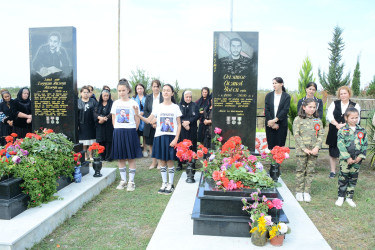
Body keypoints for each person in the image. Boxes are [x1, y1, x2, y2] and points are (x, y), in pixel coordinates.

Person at [135, 84, 182, 195]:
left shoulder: (175, 107)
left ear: (172, 93)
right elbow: (148, 120)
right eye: (164, 90)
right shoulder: (158, 106)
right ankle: (164, 183)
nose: (165, 92)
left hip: (171, 137)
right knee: (161, 161)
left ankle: (171, 184)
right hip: (159, 137)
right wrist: (138, 115)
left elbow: (179, 125)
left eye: (168, 90)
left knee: (170, 161)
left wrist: (176, 139)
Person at [112, 79, 143, 191]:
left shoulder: (133, 103)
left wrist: (133, 129)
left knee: (131, 157)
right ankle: (123, 180)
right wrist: (116, 128)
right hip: (118, 132)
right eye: (119, 90)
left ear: (128, 90)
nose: (121, 92)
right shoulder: (115, 103)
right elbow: (114, 117)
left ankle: (131, 181)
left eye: (123, 90)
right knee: (120, 158)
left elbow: (137, 119)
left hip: (130, 131)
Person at [293, 98, 324, 202]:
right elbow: (296, 135)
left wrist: (316, 147)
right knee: (300, 170)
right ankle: (299, 191)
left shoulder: (318, 120)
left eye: (314, 107)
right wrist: (304, 148)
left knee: (310, 171)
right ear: (304, 107)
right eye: (310, 107)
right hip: (302, 151)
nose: (312, 109)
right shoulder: (298, 119)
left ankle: (306, 192)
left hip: (313, 150)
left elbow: (321, 135)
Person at [335, 108, 367, 207]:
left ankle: (349, 197)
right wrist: (347, 157)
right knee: (343, 177)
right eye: (352, 118)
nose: (354, 120)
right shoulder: (342, 130)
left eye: (356, 118)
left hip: (357, 160)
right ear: (346, 118)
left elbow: (364, 145)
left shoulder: (362, 130)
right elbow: (340, 144)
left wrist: (360, 156)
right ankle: (341, 197)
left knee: (353, 178)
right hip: (345, 160)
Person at [326, 86, 361, 179]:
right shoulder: (334, 103)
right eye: (341, 94)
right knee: (333, 151)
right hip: (334, 130)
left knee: (347, 151)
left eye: (345, 93)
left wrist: (345, 125)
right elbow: (329, 115)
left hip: (349, 132)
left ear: (349, 94)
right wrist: (337, 124)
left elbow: (357, 119)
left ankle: (345, 171)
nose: (343, 95)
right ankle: (332, 171)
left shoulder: (355, 105)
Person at [264, 77, 291, 150]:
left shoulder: (286, 96)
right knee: (271, 146)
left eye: (276, 83)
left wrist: (275, 120)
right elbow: (266, 110)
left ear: (281, 84)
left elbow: (285, 110)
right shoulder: (269, 96)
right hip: (270, 124)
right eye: (273, 83)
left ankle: (278, 161)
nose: (274, 85)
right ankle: (272, 161)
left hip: (281, 124)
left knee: (280, 145)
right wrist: (271, 122)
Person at [143, 80, 163, 169]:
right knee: (150, 143)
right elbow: (146, 111)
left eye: (157, 86)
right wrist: (152, 122)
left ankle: (160, 163)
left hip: (161, 123)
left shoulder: (163, 97)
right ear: (152, 87)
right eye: (154, 86)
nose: (155, 88)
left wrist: (157, 121)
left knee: (160, 143)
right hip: (150, 123)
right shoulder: (148, 97)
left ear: (160, 87)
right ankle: (153, 162)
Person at [177, 91, 199, 170]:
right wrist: (184, 123)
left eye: (190, 97)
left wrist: (188, 122)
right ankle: (180, 164)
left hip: (191, 129)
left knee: (192, 146)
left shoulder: (194, 105)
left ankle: (191, 163)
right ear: (183, 97)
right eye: (187, 97)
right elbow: (178, 116)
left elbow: (197, 116)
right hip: (182, 129)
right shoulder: (179, 106)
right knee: (181, 146)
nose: (188, 98)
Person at [93, 89, 114, 161]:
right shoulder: (98, 104)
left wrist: (105, 118)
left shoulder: (112, 103)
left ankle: (108, 157)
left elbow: (112, 113)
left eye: (107, 95)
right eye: (104, 95)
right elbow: (94, 113)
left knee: (109, 141)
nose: (106, 97)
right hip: (100, 125)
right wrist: (100, 118)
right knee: (100, 140)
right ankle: (101, 156)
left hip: (109, 125)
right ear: (101, 96)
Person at [78, 86, 97, 160]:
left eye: (87, 92)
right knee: (84, 142)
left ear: (89, 93)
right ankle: (85, 156)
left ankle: (91, 155)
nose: (86, 94)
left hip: (91, 124)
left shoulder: (93, 101)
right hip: (82, 124)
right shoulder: (78, 102)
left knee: (91, 141)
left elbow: (96, 111)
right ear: (81, 93)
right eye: (84, 92)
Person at [132, 83, 147, 157]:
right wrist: (137, 113)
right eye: (138, 88)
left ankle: (145, 150)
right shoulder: (133, 98)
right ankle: (138, 150)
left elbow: (148, 108)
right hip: (136, 118)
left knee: (144, 135)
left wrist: (143, 112)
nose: (139, 90)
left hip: (145, 118)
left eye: (141, 88)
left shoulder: (147, 98)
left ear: (143, 89)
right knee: (137, 135)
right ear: (136, 90)